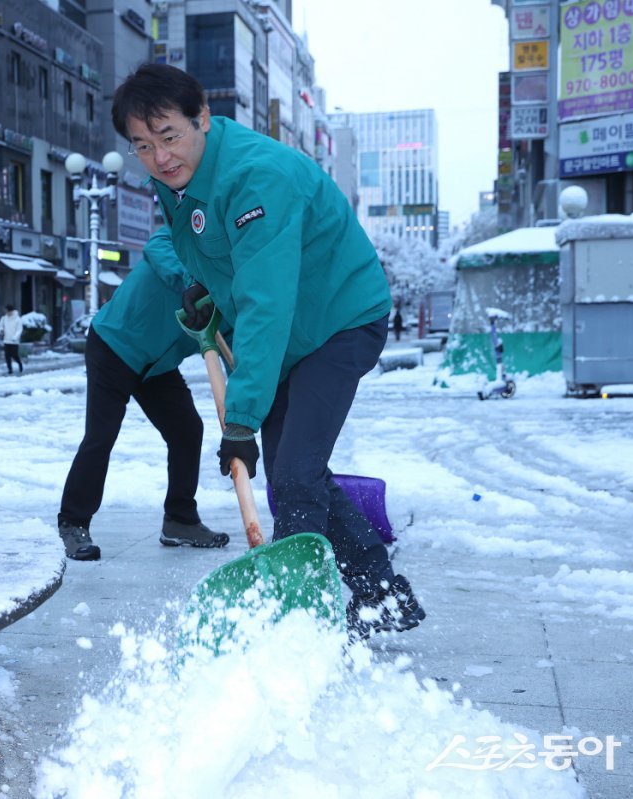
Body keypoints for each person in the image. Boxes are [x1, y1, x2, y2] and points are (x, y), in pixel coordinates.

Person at [111, 63, 424, 639]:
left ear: (202, 118)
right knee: (292, 473)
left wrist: (242, 419)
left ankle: (300, 625)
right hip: (290, 333)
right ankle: (382, 595)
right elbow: (227, 267)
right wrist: (204, 295)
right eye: (143, 146)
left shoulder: (258, 178)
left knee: (295, 474)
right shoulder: (181, 184)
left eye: (170, 137)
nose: (160, 157)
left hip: (339, 320)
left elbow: (267, 300)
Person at [57, 227, 229, 561]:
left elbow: (234, 349)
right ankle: (73, 523)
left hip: (157, 367)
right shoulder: (191, 232)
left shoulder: (233, 284)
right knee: (101, 435)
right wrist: (190, 283)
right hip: (114, 345)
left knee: (187, 430)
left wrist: (247, 410)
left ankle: (180, 519)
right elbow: (159, 245)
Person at [0, 305, 24, 375]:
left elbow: (19, 329)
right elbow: (0, 326)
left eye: (7, 310)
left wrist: (15, 337)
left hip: (14, 341)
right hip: (6, 340)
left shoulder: (17, 319)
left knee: (14, 355)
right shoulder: (4, 318)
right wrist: (1, 330)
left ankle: (20, 364)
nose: (6, 312)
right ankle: (10, 369)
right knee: (7, 355)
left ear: (11, 311)